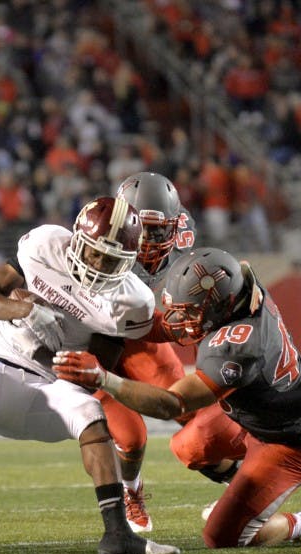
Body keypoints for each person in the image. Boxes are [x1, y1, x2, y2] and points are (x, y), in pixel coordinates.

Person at [0, 195, 180, 554]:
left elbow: (91, 371)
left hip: (53, 386)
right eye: (94, 253)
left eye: (112, 260)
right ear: (77, 239)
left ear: (129, 261)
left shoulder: (131, 302)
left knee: (90, 412)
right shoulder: (45, 245)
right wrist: (23, 309)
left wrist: (49, 347)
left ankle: (117, 533)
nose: (100, 265)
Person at [53, 247, 301, 548]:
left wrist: (104, 379)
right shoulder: (242, 288)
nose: (179, 318)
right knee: (189, 446)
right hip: (255, 416)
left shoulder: (236, 347)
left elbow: (171, 403)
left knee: (221, 537)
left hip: (290, 443)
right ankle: (243, 494)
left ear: (219, 308)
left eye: (189, 311)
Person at [105, 171, 246, 532]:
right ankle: (130, 491)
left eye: (159, 230)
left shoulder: (181, 235)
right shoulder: (100, 231)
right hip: (92, 339)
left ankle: (248, 485)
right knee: (130, 437)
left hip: (137, 334)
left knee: (190, 413)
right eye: (144, 229)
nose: (151, 239)